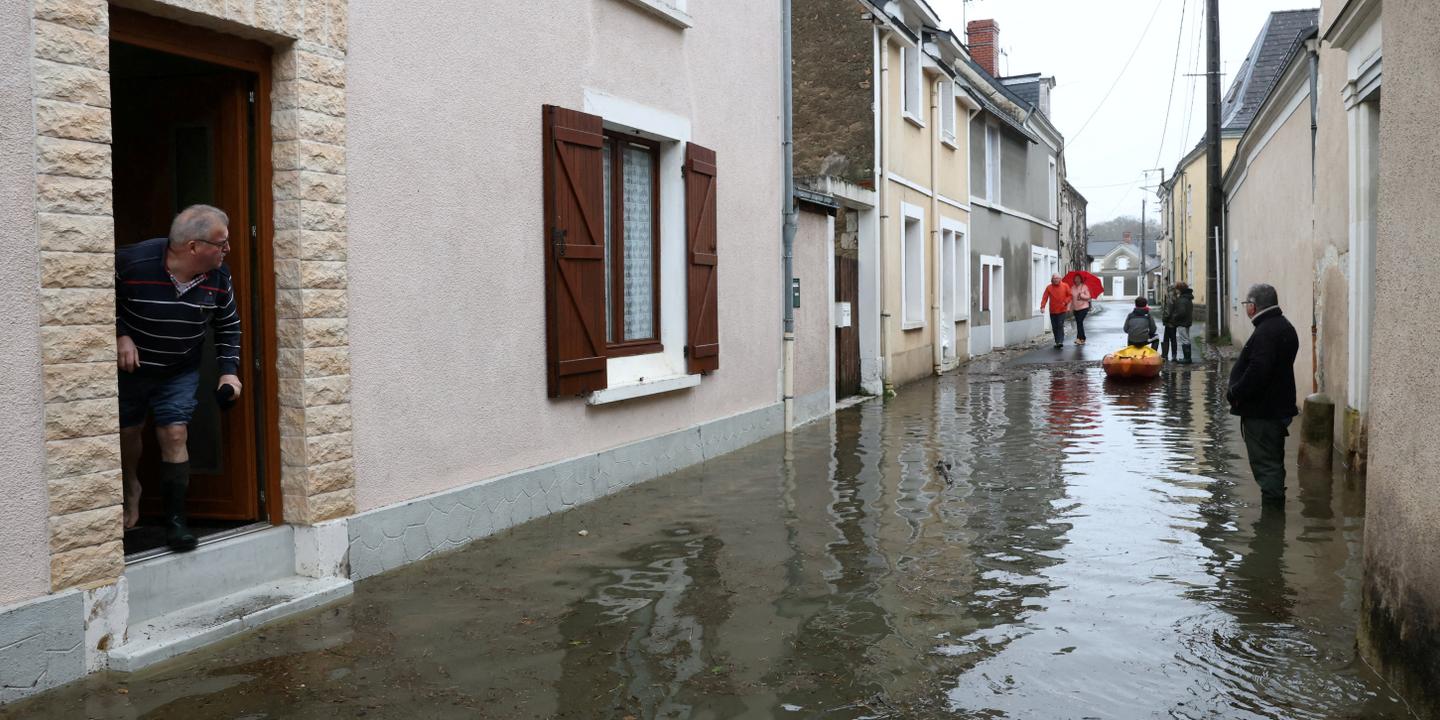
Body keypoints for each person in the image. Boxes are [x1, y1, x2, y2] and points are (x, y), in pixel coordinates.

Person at [116, 205, 242, 551]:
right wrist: (120, 334)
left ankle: (176, 523)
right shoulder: (132, 262)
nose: (227, 250)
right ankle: (131, 487)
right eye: (222, 243)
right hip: (132, 370)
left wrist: (229, 374)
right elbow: (94, 295)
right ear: (193, 247)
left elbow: (228, 326)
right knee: (128, 432)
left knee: (174, 431)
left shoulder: (219, 278)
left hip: (180, 369)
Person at [1227, 283, 1299, 504]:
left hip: (1263, 412)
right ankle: (1274, 514)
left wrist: (1235, 393)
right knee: (1272, 463)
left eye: (1247, 303)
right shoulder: (1282, 326)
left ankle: (1273, 523)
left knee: (1266, 466)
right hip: (1275, 408)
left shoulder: (1267, 331)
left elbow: (1258, 371)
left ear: (1253, 306)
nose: (1247, 307)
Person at [1039, 273, 1072, 348]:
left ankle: (1060, 341)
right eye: (1054, 278)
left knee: (1060, 325)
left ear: (1060, 279)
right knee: (1054, 327)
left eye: (1057, 278)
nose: (1056, 280)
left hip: (1062, 309)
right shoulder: (1049, 287)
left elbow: (1070, 295)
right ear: (1052, 279)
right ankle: (1057, 341)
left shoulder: (1065, 286)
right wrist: (1042, 307)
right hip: (1053, 310)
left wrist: (1065, 302)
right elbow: (1045, 297)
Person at [1171, 282, 1195, 363]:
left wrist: (1174, 316)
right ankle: (1187, 357)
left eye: (1177, 289)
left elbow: (1181, 312)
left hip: (1182, 322)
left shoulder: (1182, 300)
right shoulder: (1187, 298)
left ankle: (1187, 358)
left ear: (1180, 289)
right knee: (1186, 338)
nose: (1176, 290)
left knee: (1185, 339)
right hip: (1187, 321)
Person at [1070, 275, 1092, 345]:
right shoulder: (1072, 287)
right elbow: (1071, 298)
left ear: (1081, 280)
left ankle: (1079, 338)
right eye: (1075, 279)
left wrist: (1082, 295)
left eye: (1078, 279)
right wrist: (1070, 307)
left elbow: (1089, 297)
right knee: (1078, 323)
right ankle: (1082, 338)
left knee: (1079, 322)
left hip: (1084, 307)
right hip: (1076, 308)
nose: (1076, 280)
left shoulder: (1084, 287)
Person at [1159, 284, 1179, 361]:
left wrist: (1165, 318)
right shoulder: (1175, 296)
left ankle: (1166, 355)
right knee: (1169, 338)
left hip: (1170, 321)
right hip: (1173, 321)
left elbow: (1168, 310)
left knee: (1169, 338)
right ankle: (1168, 354)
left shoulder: (1170, 296)